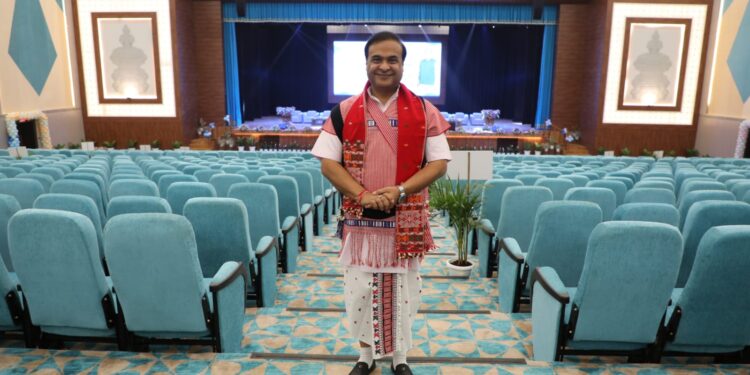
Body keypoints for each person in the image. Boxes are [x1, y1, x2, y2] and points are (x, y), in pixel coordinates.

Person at [311, 31, 451, 375]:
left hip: (405, 217)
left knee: (404, 290)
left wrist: (400, 191)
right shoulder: (343, 111)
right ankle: (366, 356)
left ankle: (399, 356)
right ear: (366, 64)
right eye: (377, 59)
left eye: (392, 59)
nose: (384, 66)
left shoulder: (424, 110)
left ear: (403, 64)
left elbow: (438, 163)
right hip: (361, 221)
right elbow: (328, 163)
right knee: (360, 290)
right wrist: (361, 194)